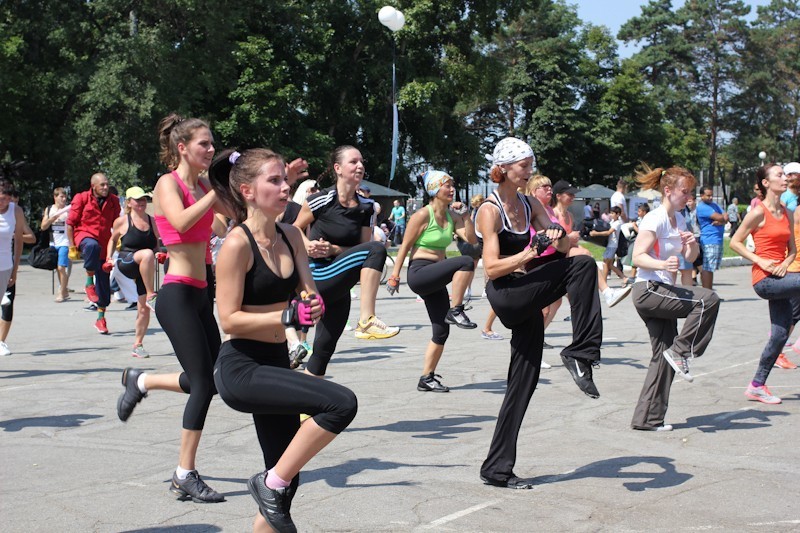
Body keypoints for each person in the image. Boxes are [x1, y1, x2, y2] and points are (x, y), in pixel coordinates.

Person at [210, 148, 357, 533]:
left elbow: (307, 293)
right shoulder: (236, 245)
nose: (284, 186)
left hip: (276, 360)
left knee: (287, 482)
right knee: (340, 404)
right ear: (247, 190)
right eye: (273, 180)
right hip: (242, 367)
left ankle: (271, 487)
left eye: (284, 180)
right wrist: (286, 315)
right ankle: (267, 483)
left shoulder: (291, 234)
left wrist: (312, 304)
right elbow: (228, 319)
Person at [476, 138, 603, 489]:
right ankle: (581, 352)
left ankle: (497, 468)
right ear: (503, 169)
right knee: (581, 267)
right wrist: (530, 252)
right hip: (505, 293)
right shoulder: (490, 209)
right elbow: (490, 268)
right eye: (523, 165)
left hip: (525, 292)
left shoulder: (530, 202)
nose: (529, 170)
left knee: (523, 384)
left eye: (530, 164)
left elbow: (561, 244)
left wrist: (559, 235)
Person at [115, 113, 229, 503]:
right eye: (204, 144)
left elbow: (220, 229)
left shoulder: (200, 188)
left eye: (213, 144)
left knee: (211, 379)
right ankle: (185, 473)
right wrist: (216, 192)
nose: (211, 150)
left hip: (202, 293)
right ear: (183, 148)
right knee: (202, 383)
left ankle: (142, 381)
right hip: (176, 294)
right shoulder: (169, 183)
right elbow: (179, 222)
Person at [293, 145, 399, 377]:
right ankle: (367, 319)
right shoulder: (321, 200)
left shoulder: (368, 207)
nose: (360, 166)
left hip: (339, 286)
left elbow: (361, 250)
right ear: (338, 168)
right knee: (377, 249)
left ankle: (305, 412)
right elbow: (294, 230)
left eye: (362, 162)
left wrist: (332, 248)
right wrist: (308, 245)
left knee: (323, 352)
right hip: (317, 276)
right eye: (353, 162)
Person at [629, 166, 720, 431]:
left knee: (661, 355)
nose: (688, 197)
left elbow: (690, 258)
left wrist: (691, 243)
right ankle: (682, 351)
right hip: (649, 289)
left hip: (662, 290)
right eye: (684, 192)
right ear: (668, 191)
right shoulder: (654, 219)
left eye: (691, 192)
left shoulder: (679, 219)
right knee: (708, 300)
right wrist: (661, 264)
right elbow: (637, 257)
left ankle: (647, 419)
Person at [387, 170, 477, 392]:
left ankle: (426, 378)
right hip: (420, 273)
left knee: (441, 331)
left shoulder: (452, 216)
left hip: (435, 275)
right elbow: (405, 247)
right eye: (447, 185)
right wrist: (394, 276)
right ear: (435, 190)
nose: (452, 189)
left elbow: (473, 240)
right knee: (465, 261)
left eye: (452, 185)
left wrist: (466, 216)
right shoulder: (422, 215)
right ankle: (456, 309)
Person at [730, 164, 800, 404]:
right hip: (764, 280)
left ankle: (756, 386)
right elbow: (735, 242)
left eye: (786, 174)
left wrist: (786, 263)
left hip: (782, 277)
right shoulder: (758, 212)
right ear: (766, 183)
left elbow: (792, 250)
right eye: (779, 175)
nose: (785, 178)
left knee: (780, 335)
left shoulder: (787, 212)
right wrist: (761, 260)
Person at [552, 180, 632, 307]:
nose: (573, 197)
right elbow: (554, 239)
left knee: (588, 259)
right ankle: (607, 292)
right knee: (587, 255)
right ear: (558, 196)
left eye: (573, 194)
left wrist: (574, 237)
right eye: (569, 194)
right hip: (557, 255)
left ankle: (603, 294)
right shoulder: (554, 214)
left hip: (567, 251)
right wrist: (569, 237)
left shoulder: (570, 215)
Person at [106, 186, 161, 358]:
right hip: (127, 261)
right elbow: (112, 240)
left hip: (145, 266)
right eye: (137, 200)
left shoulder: (152, 221)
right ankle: (152, 294)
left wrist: (159, 253)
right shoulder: (122, 221)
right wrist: (108, 258)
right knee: (146, 254)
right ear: (129, 202)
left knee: (143, 308)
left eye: (144, 199)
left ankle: (138, 344)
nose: (142, 203)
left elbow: (156, 244)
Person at [66, 172, 121, 334]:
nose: (106, 187)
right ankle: (89, 282)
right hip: (85, 237)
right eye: (102, 185)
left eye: (107, 184)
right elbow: (70, 224)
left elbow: (116, 223)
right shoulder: (81, 198)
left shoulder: (113, 201)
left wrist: (117, 240)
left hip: (104, 244)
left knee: (104, 286)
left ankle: (100, 319)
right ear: (93, 186)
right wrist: (72, 247)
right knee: (92, 246)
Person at [0, 181, 26, 356]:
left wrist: (15, 270)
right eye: (2, 198)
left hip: (5, 266)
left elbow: (18, 241)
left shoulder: (15, 211)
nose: (5, 202)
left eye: (8, 199)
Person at [41, 187, 72, 302]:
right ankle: (64, 290)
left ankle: (61, 293)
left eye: (65, 197)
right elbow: (43, 227)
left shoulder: (69, 210)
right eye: (61, 197)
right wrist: (51, 219)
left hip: (65, 243)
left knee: (61, 267)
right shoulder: (49, 209)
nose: (64, 199)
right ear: (55, 197)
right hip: (53, 242)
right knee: (58, 269)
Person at [696, 186, 727, 290]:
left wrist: (722, 220)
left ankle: (709, 292)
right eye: (708, 195)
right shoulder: (702, 207)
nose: (710, 198)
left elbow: (726, 216)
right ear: (701, 196)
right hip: (709, 240)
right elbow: (720, 217)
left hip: (717, 240)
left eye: (711, 195)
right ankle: (707, 293)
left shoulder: (714, 205)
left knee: (711, 268)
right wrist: (721, 219)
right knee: (707, 268)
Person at [590, 206, 630, 288]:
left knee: (605, 263)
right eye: (610, 213)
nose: (611, 215)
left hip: (612, 246)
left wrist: (596, 233)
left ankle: (603, 284)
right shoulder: (612, 221)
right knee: (610, 265)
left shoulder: (617, 223)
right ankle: (624, 278)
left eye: (612, 213)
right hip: (610, 245)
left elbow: (608, 232)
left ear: (618, 214)